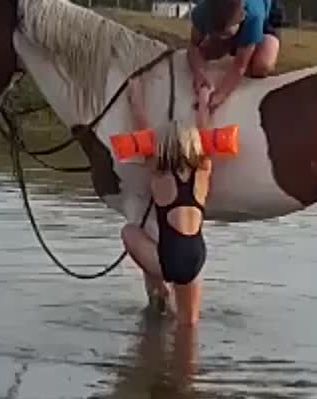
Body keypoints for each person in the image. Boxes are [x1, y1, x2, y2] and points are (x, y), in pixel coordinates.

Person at [120, 78, 212, 326]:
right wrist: (203, 99)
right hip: (196, 256)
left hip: (168, 260)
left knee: (128, 231)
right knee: (189, 324)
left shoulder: (159, 173)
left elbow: (143, 131)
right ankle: (187, 362)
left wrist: (136, 97)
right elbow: (204, 129)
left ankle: (159, 284)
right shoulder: (204, 169)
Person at [187, 0, 283, 113]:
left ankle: (248, 43)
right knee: (207, 52)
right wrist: (198, 73)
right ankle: (235, 42)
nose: (222, 36)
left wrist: (220, 95)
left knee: (262, 65)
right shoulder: (202, 11)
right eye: (217, 33)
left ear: (242, 17)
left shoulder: (253, 16)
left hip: (266, 21)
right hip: (230, 23)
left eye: (226, 34)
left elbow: (239, 66)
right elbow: (193, 46)